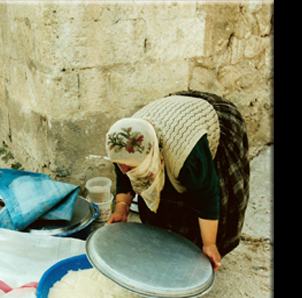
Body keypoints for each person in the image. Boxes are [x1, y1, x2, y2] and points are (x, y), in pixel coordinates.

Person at [105, 90, 250, 272]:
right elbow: (124, 176)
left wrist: (210, 244)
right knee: (162, 198)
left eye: (129, 166)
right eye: (120, 164)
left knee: (203, 190)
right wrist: (121, 207)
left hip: (206, 120)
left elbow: (207, 198)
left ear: (151, 155)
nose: (124, 170)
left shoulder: (188, 156)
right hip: (170, 114)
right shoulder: (124, 144)